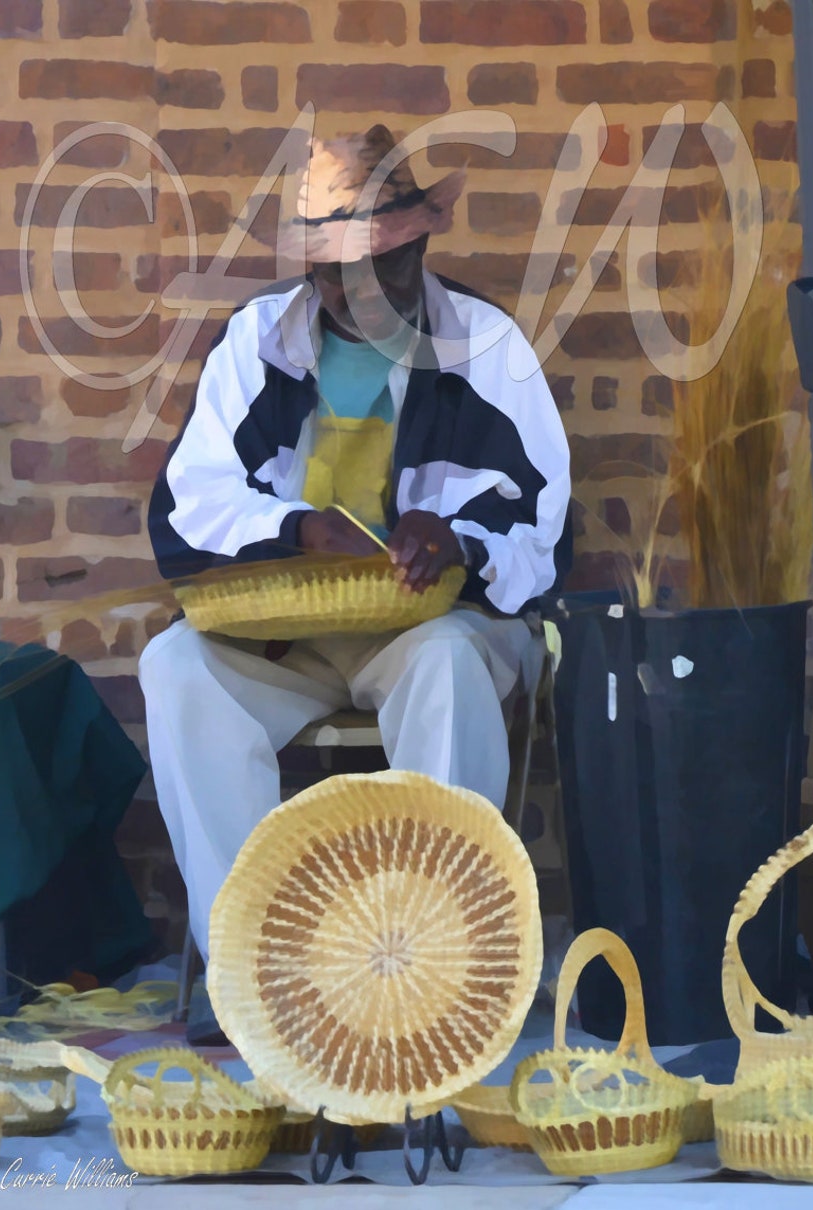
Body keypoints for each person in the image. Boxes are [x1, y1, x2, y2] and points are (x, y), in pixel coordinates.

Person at [138, 125, 571, 1037]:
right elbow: (188, 504)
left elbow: (539, 523)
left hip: (431, 627)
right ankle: (254, 972)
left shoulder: (486, 344)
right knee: (178, 667)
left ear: (420, 244)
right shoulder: (258, 340)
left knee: (451, 668)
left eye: (379, 266)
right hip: (291, 635)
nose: (354, 293)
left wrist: (454, 537)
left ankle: (434, 970)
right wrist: (294, 528)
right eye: (332, 272)